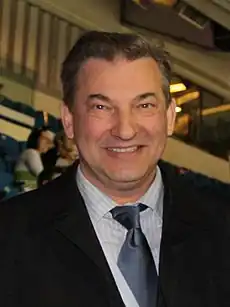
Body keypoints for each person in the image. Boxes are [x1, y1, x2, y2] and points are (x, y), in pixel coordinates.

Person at [0, 31, 229, 307]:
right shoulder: (9, 236)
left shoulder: (222, 228)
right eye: (101, 106)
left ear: (169, 117)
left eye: (144, 105)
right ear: (69, 121)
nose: (125, 130)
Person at [14, 126, 54, 191]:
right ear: (36, 138)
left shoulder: (38, 156)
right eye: (45, 139)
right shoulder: (31, 153)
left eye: (51, 142)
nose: (49, 144)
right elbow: (43, 176)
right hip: (25, 192)